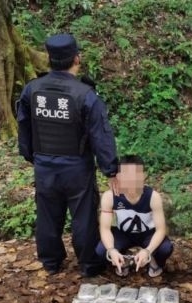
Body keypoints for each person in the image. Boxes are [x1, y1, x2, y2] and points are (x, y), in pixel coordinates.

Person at [17, 33, 118, 277]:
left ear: (48, 58)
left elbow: (24, 125)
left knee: (47, 214)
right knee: (83, 216)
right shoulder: (85, 94)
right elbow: (100, 135)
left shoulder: (32, 90)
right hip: (76, 166)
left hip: (44, 164)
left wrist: (31, 156)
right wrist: (111, 169)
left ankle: (51, 262)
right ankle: (89, 265)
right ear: (77, 59)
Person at [96, 155, 173, 277]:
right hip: (123, 233)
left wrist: (148, 251)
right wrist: (112, 250)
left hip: (148, 233)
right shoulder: (109, 196)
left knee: (165, 248)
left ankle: (153, 260)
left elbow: (161, 229)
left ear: (143, 176)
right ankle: (123, 258)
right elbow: (105, 229)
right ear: (119, 177)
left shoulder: (153, 197)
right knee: (101, 251)